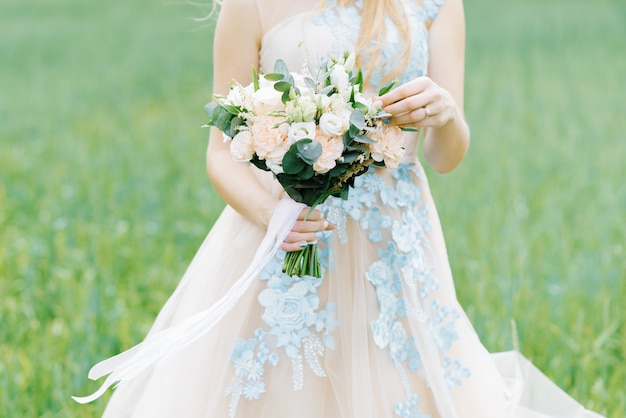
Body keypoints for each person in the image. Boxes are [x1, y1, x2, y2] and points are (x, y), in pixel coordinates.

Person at [76, 0, 604, 417]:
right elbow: (220, 152)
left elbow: (447, 158)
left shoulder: (434, 4)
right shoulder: (249, 3)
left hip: (392, 242)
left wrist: (445, 116)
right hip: (289, 232)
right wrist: (270, 214)